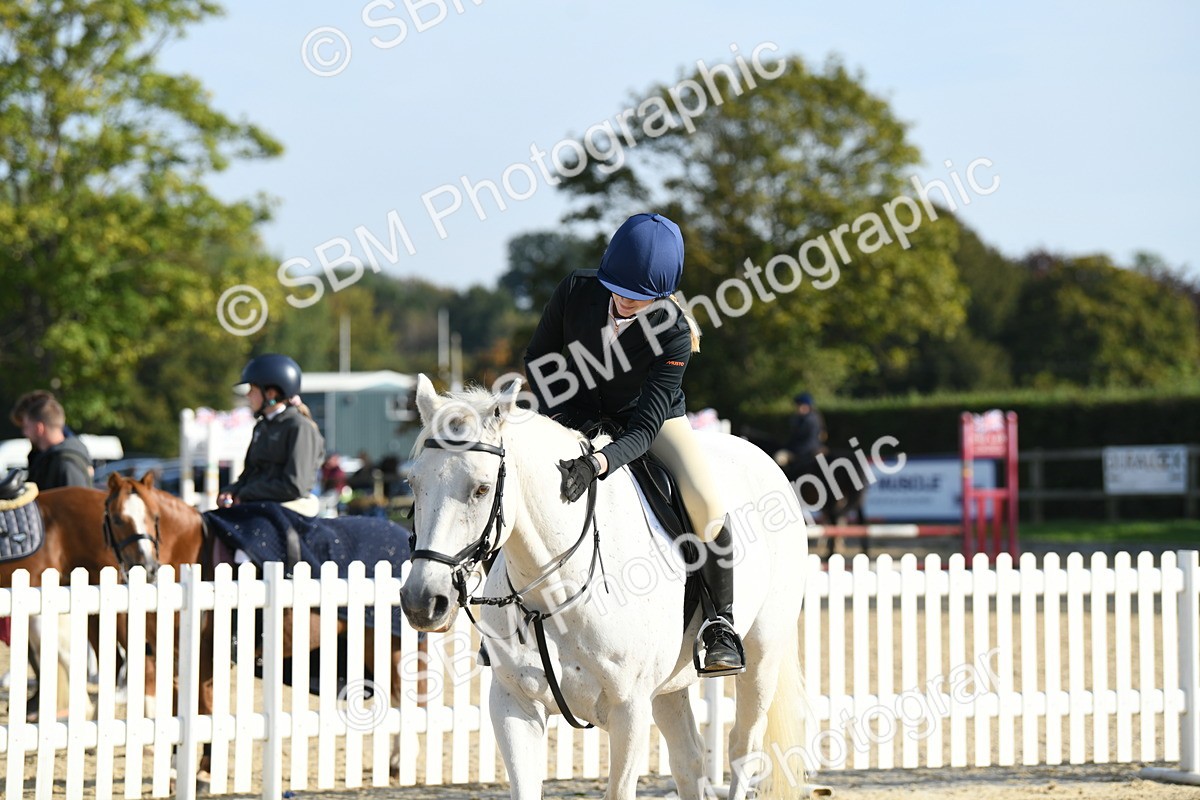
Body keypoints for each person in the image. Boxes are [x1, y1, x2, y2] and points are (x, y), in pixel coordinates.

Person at [523, 212, 744, 676]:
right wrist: (567, 420)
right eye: (618, 289)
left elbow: (643, 431)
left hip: (651, 420)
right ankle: (511, 613)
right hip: (574, 411)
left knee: (706, 503)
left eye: (638, 297)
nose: (624, 301)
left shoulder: (674, 332)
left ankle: (720, 624)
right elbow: (539, 362)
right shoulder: (576, 290)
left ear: (661, 295)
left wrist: (599, 462)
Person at [218, 354, 325, 517]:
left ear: (271, 394)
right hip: (260, 504)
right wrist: (231, 491)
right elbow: (250, 473)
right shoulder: (262, 427)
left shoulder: (300, 427)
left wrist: (245, 493)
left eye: (252, 390)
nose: (247, 395)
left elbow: (294, 486)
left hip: (290, 510)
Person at [9, 390, 92, 489]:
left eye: (26, 426)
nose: (24, 433)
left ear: (39, 428)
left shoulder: (65, 462)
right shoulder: (48, 459)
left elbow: (75, 498)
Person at [777, 391, 826, 474]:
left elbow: (808, 440)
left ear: (807, 406)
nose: (797, 408)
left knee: (780, 458)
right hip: (802, 449)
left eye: (799, 405)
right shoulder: (800, 418)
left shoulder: (810, 420)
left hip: (806, 451)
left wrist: (793, 450)